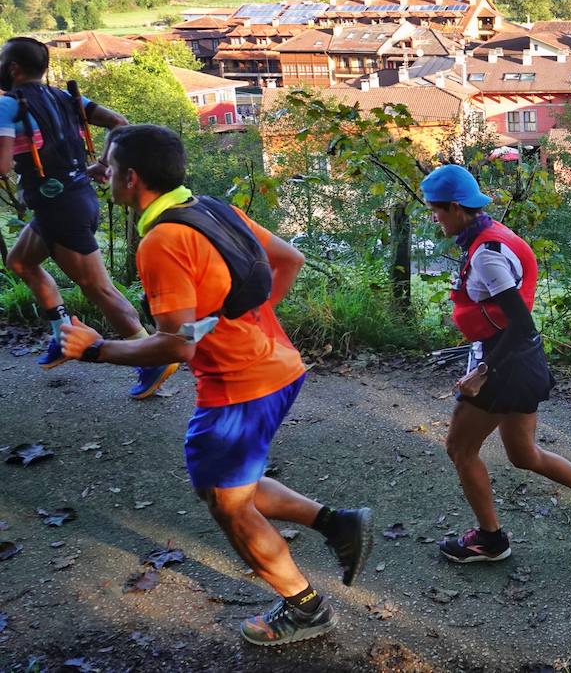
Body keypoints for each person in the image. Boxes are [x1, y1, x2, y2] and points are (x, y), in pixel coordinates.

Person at [58, 124, 373, 647]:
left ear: (132, 178)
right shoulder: (208, 208)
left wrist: (94, 349)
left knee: (229, 506)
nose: (102, 176)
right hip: (277, 364)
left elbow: (174, 346)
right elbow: (288, 258)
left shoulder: (162, 241)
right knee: (224, 487)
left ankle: (306, 609)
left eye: (109, 169)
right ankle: (338, 524)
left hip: (238, 387)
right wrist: (243, 317)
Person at [422, 164, 571, 563]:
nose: (434, 218)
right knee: (524, 454)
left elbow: (520, 323)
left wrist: (481, 373)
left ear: (455, 207)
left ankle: (490, 540)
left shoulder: (486, 254)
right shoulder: (491, 236)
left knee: (460, 448)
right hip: (518, 363)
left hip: (503, 366)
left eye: (435, 210)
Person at [0, 37, 177, 398]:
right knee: (20, 262)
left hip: (61, 207)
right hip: (68, 200)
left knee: (99, 288)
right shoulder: (64, 98)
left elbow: (2, 164)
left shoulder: (7, 105)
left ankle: (153, 356)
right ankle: (62, 336)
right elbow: (119, 123)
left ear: (14, 68)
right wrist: (99, 165)